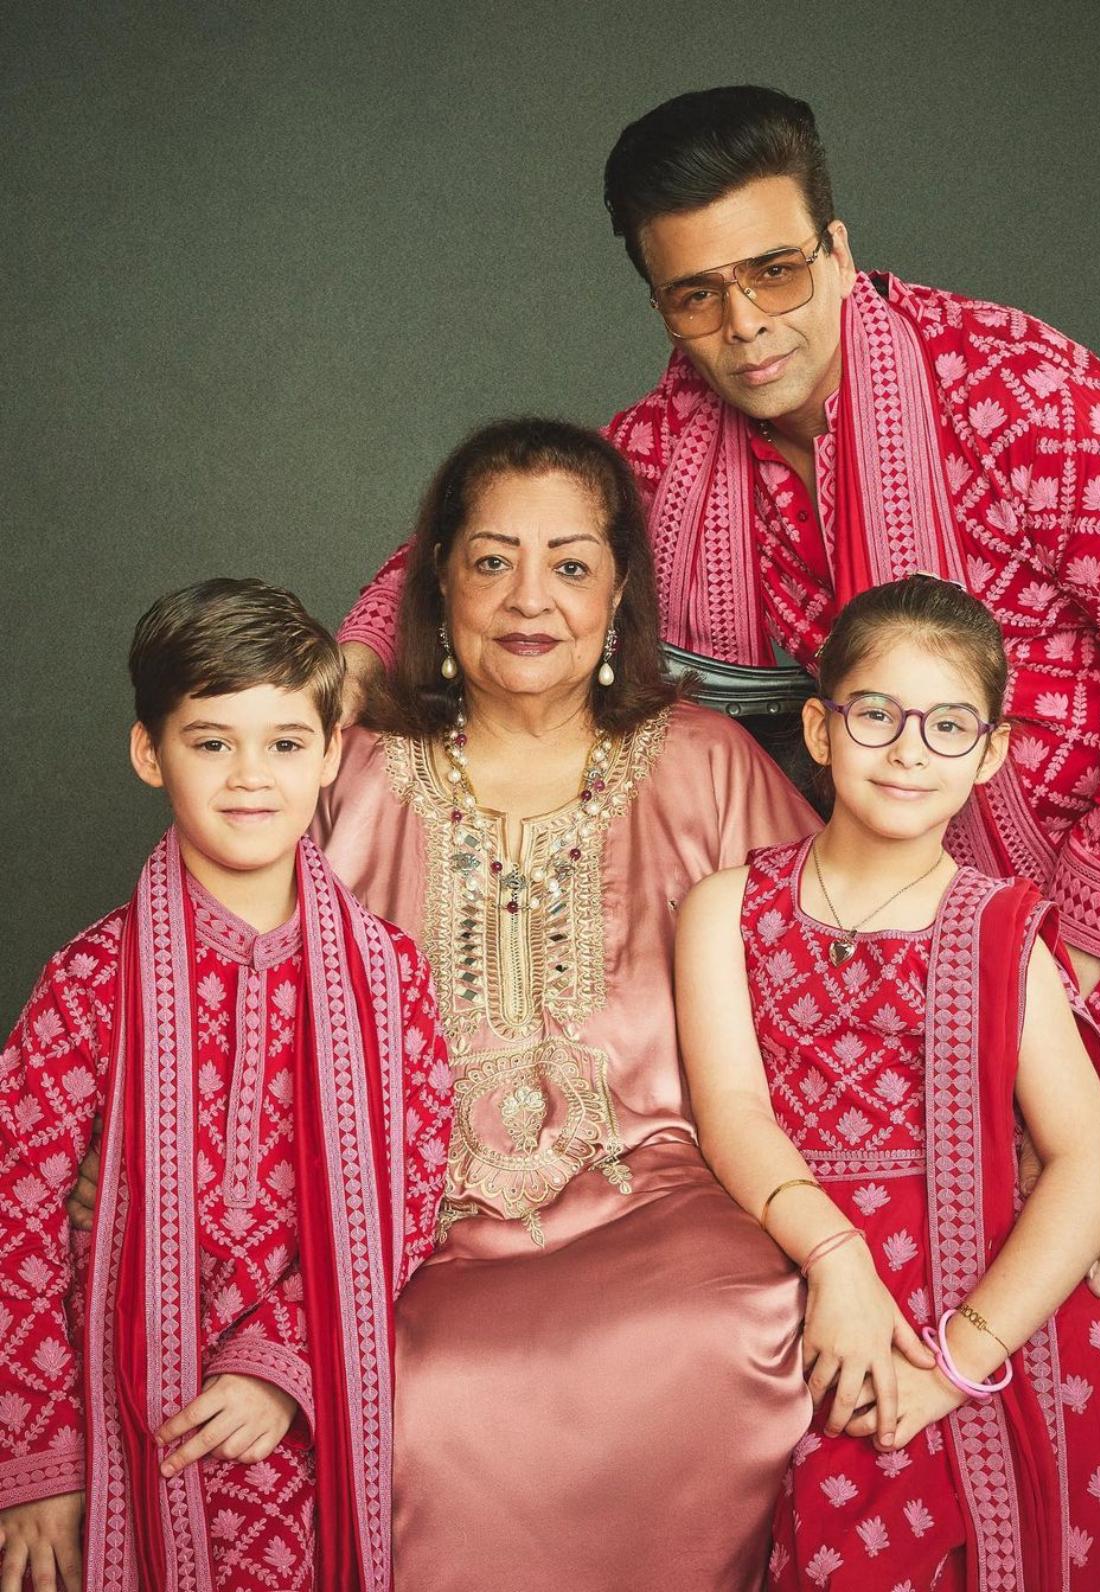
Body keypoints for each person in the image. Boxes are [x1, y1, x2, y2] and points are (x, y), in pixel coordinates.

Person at [335, 88, 1100, 1469]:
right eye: (698, 294)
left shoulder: (1016, 385)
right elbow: (497, 549)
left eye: (775, 272)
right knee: (888, 1214)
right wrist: (320, 688)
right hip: (887, 889)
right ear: (660, 302)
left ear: (835, 245)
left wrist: (1087, 925)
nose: (747, 325)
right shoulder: (670, 439)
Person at [314, 418, 825, 1590]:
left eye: (570, 563)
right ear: (436, 575)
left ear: (619, 589)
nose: (527, 598)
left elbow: (843, 989)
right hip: (412, 1227)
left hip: (665, 1197)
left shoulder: (700, 762)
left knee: (730, 1322)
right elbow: (228, 996)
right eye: (491, 559)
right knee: (411, 1387)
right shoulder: (346, 772)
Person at [676, 574, 1100, 1589]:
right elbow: (731, 1109)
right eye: (876, 715)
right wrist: (836, 1259)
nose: (908, 750)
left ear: (989, 750)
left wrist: (959, 1360)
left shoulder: (1001, 929)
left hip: (997, 1290)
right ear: (819, 727)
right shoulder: (725, 905)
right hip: (810, 1267)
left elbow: (1090, 1162)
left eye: (948, 725)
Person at [0, 580, 452, 1592]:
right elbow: (13, 1211)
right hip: (112, 1399)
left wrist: (280, 1360)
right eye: (212, 742)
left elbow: (406, 1194)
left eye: (286, 743)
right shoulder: (89, 982)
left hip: (298, 1403)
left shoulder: (391, 976)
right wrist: (37, 1462)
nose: (252, 776)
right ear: (148, 752)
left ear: (332, 752)